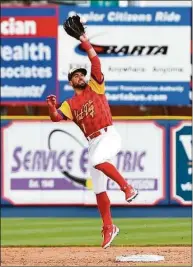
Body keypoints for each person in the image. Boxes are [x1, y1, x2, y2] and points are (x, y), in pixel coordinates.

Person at [46, 15, 138, 249]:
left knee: (98, 159)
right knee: (98, 188)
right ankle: (109, 227)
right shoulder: (69, 103)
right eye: (76, 75)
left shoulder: (96, 86)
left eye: (81, 73)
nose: (80, 76)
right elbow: (57, 117)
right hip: (92, 142)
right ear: (71, 82)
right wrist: (50, 107)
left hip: (109, 135)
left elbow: (95, 63)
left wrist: (86, 43)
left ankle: (127, 187)